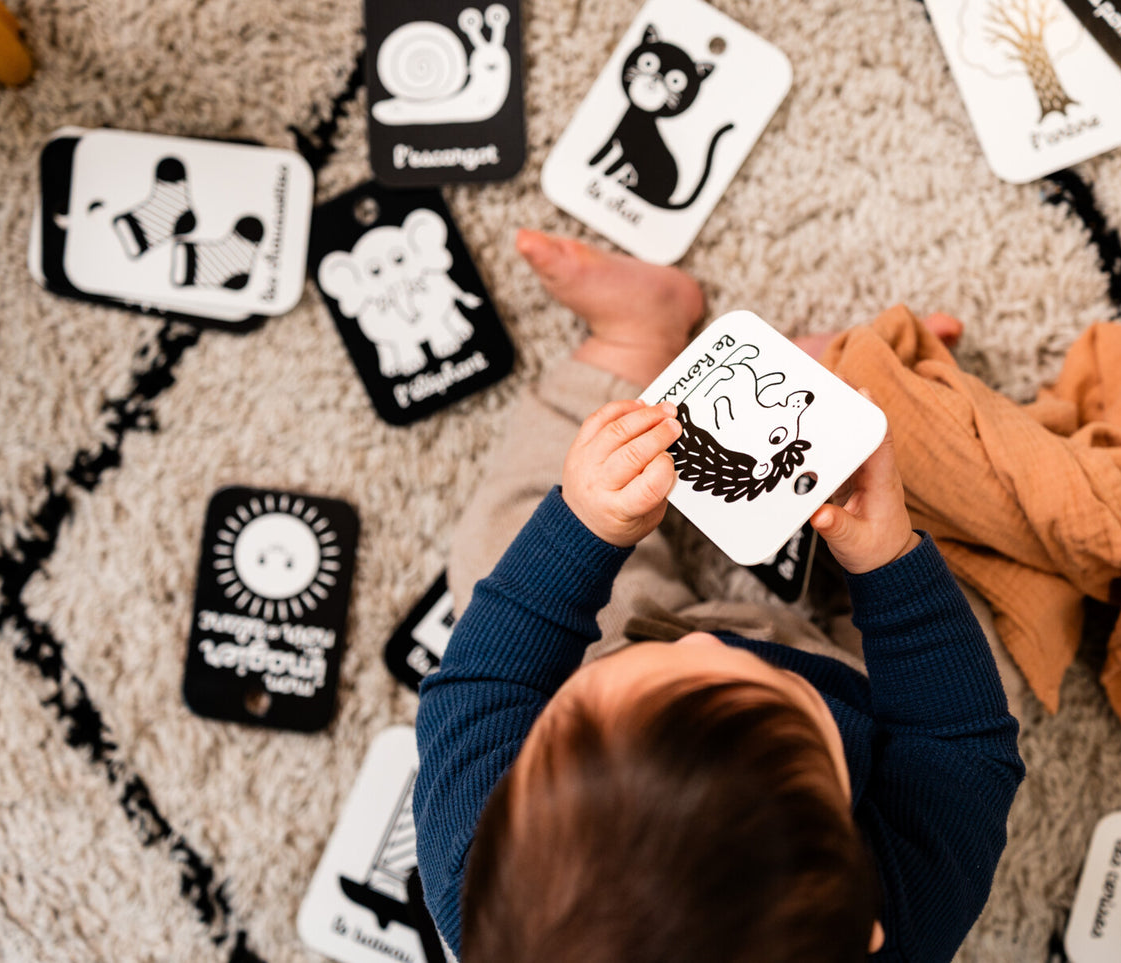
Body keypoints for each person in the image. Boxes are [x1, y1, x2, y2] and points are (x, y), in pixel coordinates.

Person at [412, 230, 1024, 963]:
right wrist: (890, 563)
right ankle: (852, 424)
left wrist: (584, 527)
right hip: (859, 688)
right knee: (994, 651)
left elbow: (485, 683)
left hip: (612, 640)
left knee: (509, 534)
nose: (704, 646)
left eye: (667, 669)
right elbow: (960, 750)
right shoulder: (907, 911)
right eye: (771, 691)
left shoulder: (479, 874)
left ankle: (630, 344)